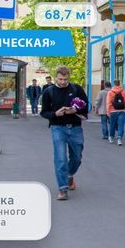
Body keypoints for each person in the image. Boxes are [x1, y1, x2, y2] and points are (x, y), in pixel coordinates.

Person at [39, 66, 89, 201]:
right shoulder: (49, 92)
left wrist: (75, 110)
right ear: (56, 77)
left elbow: (86, 106)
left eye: (65, 79)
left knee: (77, 157)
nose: (63, 82)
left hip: (75, 127)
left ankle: (69, 174)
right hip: (58, 128)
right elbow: (43, 112)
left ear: (69, 77)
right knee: (60, 158)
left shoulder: (76, 89)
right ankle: (62, 189)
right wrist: (55, 114)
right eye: (60, 79)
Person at [106, 79, 125, 146]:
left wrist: (108, 111)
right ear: (119, 84)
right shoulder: (124, 92)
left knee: (112, 125)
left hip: (113, 111)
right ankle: (119, 139)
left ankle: (111, 137)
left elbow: (108, 102)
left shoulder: (110, 92)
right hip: (122, 111)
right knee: (121, 125)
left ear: (114, 84)